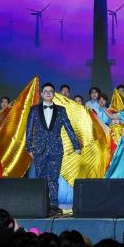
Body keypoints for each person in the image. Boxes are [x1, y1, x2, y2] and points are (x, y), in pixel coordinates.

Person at [26, 82, 81, 210]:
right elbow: (29, 129)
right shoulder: (34, 110)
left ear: (54, 94)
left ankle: (54, 206)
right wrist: (29, 147)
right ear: (41, 94)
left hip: (56, 149)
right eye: (45, 91)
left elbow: (68, 127)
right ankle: (40, 205)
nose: (48, 93)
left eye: (51, 91)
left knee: (53, 178)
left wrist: (76, 145)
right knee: (40, 178)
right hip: (39, 149)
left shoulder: (61, 110)